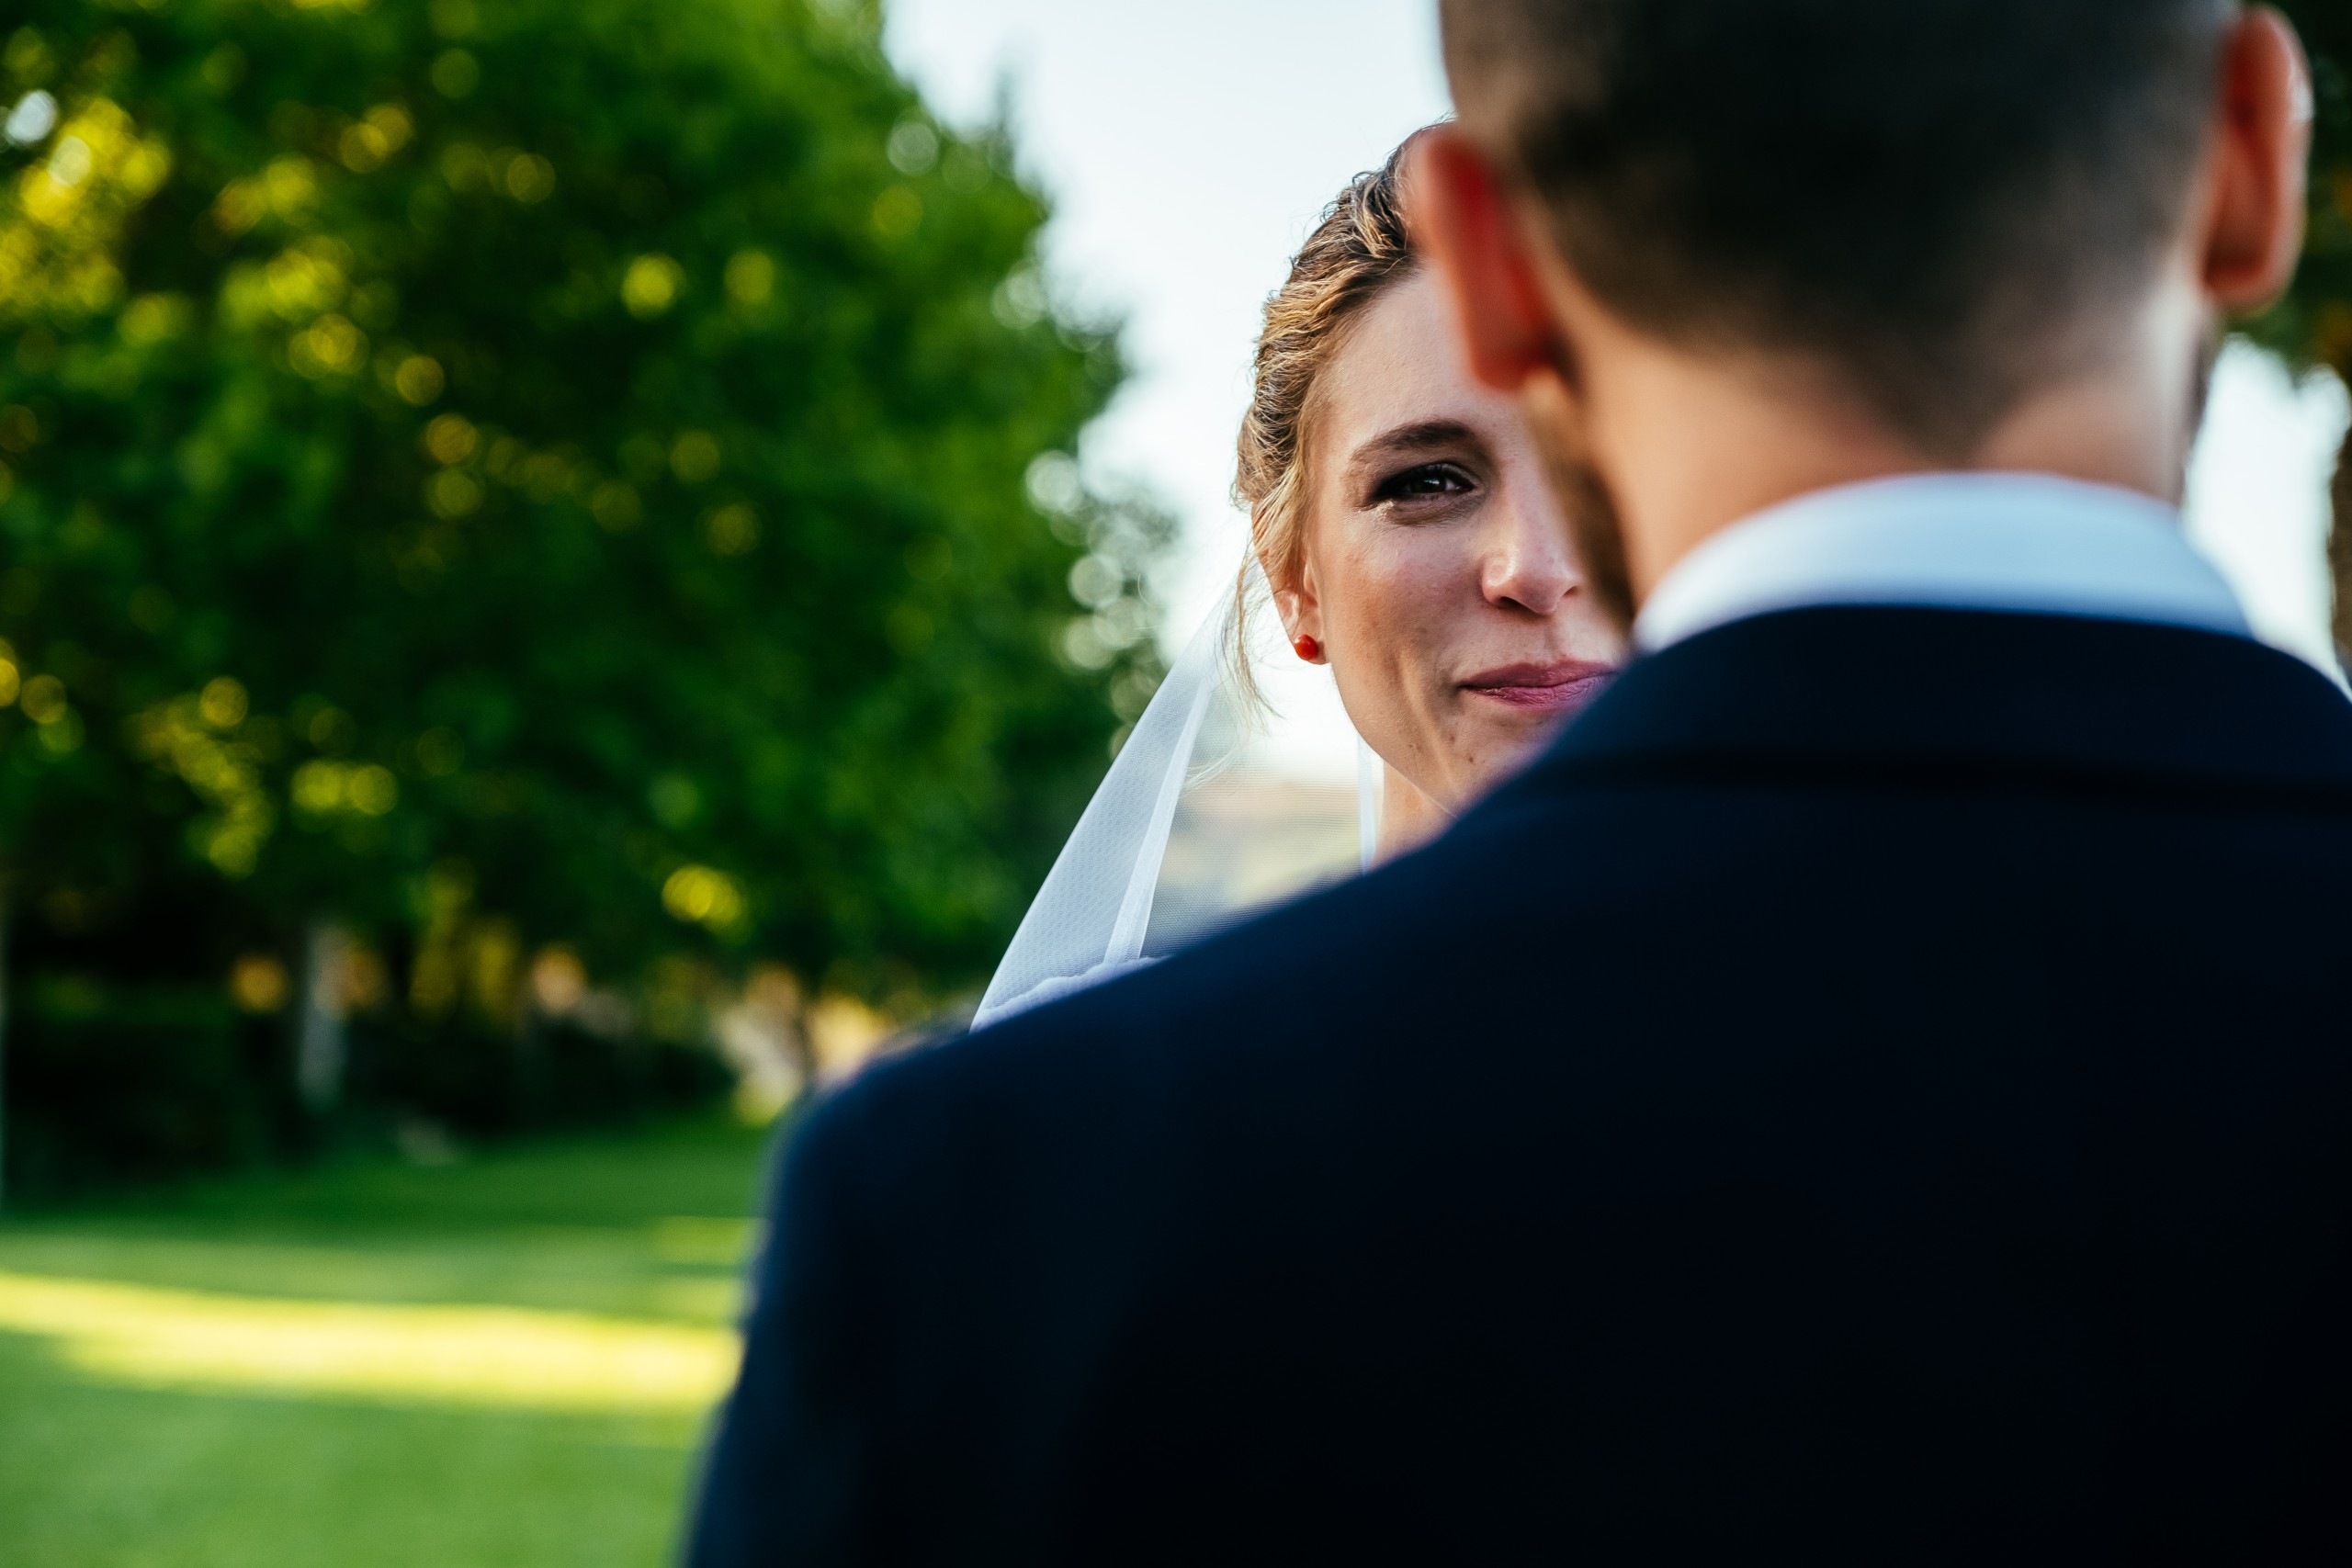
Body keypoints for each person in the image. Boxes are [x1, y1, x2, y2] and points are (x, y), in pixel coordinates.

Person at [689, 2, 2352, 1560]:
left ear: (1496, 260)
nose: (1528, 570)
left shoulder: (1011, 1214)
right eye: (1420, 482)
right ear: (2253, 158)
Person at [974, 140, 1624, 1028]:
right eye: (1427, 480)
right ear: (1296, 581)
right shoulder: (1088, 1085)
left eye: (1607, 467)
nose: (1537, 570)